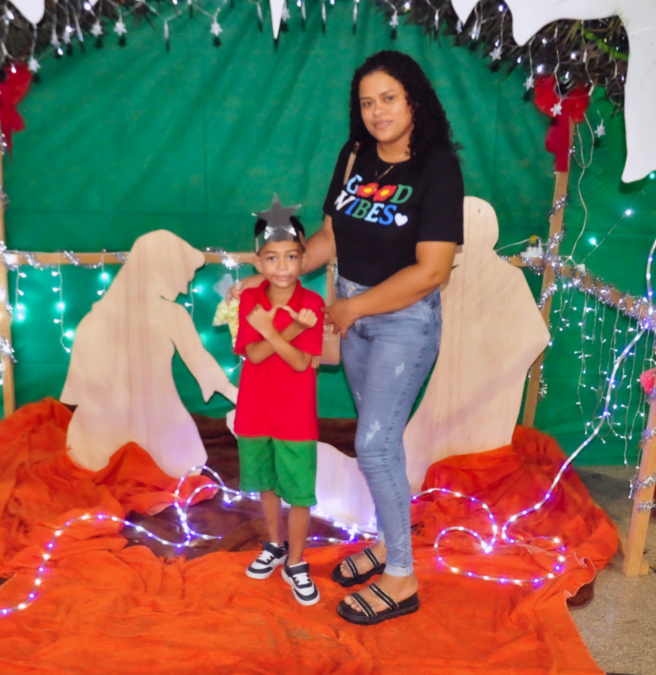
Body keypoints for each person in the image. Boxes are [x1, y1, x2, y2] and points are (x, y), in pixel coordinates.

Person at [235, 51, 463, 625]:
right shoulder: (356, 153)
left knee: (374, 445)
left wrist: (352, 308)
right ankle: (388, 544)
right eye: (366, 102)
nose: (377, 111)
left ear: (414, 100)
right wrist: (275, 272)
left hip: (403, 320)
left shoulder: (438, 166)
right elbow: (330, 235)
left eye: (389, 99)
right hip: (354, 314)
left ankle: (403, 576)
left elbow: (433, 270)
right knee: (382, 442)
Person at [235, 198, 326, 606]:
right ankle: (274, 544)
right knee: (266, 484)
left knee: (300, 492)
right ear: (258, 262)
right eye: (272, 258)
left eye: (291, 256)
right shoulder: (250, 300)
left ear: (304, 259)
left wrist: (272, 330)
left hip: (295, 416)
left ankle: (296, 560)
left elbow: (301, 362)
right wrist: (287, 330)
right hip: (255, 411)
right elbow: (253, 356)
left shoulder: (313, 305)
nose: (282, 267)